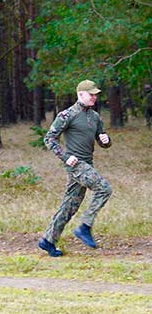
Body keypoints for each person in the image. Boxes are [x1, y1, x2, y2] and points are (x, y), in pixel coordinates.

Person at [38, 80, 112, 257]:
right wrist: (65, 156)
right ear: (80, 94)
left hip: (88, 164)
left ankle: (48, 240)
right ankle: (85, 227)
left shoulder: (95, 117)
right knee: (104, 188)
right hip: (76, 165)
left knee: (70, 205)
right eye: (91, 94)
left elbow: (102, 141)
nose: (94, 97)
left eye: (95, 94)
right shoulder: (67, 115)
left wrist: (106, 141)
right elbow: (49, 138)